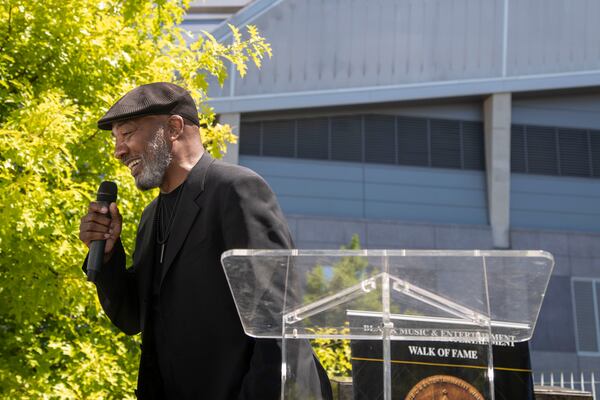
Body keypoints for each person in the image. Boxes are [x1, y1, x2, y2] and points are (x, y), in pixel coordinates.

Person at [79, 82, 331, 399]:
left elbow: (278, 322)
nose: (118, 151)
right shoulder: (150, 217)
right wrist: (107, 255)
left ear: (173, 127)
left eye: (127, 134)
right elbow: (132, 318)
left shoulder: (236, 190)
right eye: (116, 140)